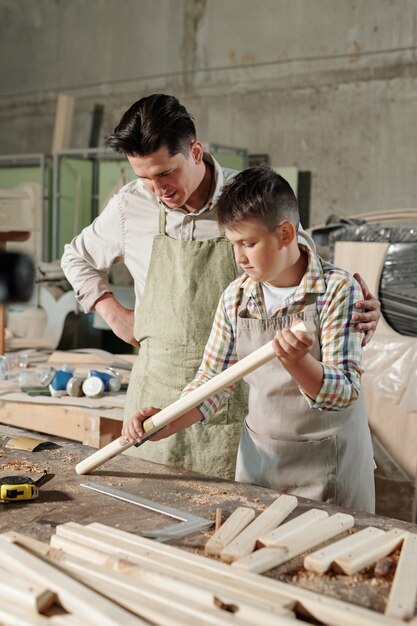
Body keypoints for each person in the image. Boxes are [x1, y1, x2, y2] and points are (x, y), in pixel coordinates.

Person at [61, 93, 380, 481]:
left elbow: (307, 275)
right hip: (166, 392)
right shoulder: (131, 206)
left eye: (165, 173)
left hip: (244, 399)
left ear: (195, 152)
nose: (157, 189)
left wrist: (357, 315)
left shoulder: (247, 200)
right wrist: (113, 313)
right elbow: (75, 257)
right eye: (143, 177)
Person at [122, 166, 375, 512]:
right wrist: (166, 422)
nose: (239, 257)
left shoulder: (336, 290)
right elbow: (212, 384)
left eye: (249, 243)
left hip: (328, 468)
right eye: (233, 244)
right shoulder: (236, 298)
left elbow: (343, 393)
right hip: (260, 466)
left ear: (286, 234)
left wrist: (298, 364)